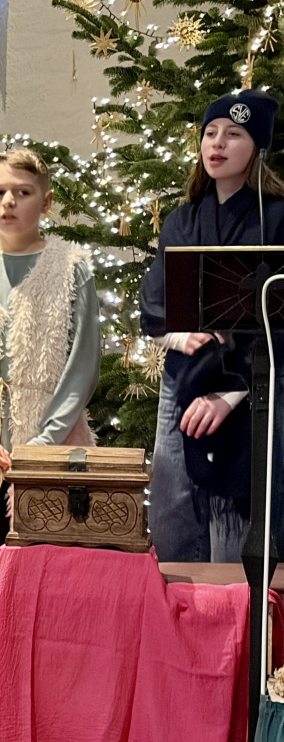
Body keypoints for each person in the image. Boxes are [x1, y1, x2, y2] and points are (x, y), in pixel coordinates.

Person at [140, 89, 284, 563]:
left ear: (258, 147)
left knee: (231, 527)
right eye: (210, 133)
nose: (217, 143)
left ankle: (233, 605)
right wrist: (179, 335)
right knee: (171, 514)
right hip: (182, 381)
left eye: (234, 134)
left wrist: (232, 393)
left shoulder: (277, 218)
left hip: (253, 388)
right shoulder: (182, 221)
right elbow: (155, 304)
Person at [0, 148, 100, 556]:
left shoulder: (70, 269)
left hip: (51, 446)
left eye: (22, 192)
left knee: (46, 564)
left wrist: (43, 443)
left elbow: (83, 366)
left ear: (46, 201)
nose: (8, 202)